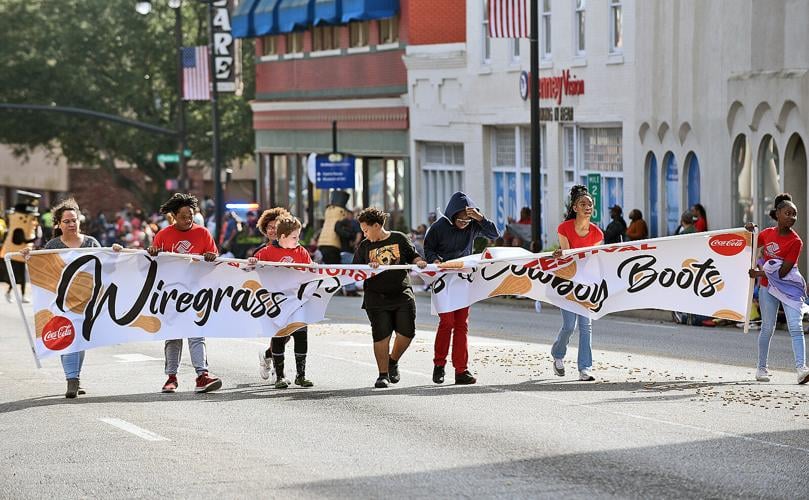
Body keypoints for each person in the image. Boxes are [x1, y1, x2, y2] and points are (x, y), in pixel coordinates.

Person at [22, 198, 122, 398]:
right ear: (58, 224)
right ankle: (72, 380)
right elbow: (42, 266)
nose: (71, 224)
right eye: (66, 221)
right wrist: (28, 255)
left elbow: (105, 266)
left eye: (74, 220)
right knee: (66, 337)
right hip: (62, 301)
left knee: (79, 340)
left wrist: (115, 252)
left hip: (86, 300)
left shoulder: (91, 242)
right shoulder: (53, 245)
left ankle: (75, 377)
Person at [147, 193, 222, 394]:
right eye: (183, 216)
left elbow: (215, 262)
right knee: (173, 336)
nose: (188, 219)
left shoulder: (204, 234)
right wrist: (153, 254)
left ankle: (202, 375)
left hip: (196, 293)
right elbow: (154, 265)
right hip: (171, 294)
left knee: (197, 333)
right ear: (173, 216)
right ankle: (171, 377)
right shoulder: (163, 235)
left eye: (190, 215)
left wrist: (211, 257)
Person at [423, 192, 499, 384]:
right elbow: (428, 248)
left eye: (467, 220)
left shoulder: (473, 225)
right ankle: (439, 365)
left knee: (462, 325)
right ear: (452, 216)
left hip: (463, 278)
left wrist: (480, 218)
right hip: (443, 278)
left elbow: (494, 234)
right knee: (446, 322)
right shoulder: (438, 227)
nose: (464, 223)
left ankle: (461, 370)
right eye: (461, 220)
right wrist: (434, 260)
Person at [353, 207, 427, 388]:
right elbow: (355, 270)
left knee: (407, 332)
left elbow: (414, 256)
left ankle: (393, 360)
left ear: (377, 225)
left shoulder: (399, 238)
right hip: (376, 297)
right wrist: (367, 267)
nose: (364, 234)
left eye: (366, 230)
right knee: (381, 336)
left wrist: (419, 262)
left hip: (401, 293)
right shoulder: (365, 246)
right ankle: (382, 374)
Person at [746, 193, 809, 385]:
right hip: (768, 288)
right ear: (778, 213)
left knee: (796, 327)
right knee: (767, 328)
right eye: (788, 213)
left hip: (789, 288)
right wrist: (749, 232)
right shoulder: (766, 234)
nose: (792, 217)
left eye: (794, 214)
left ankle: (801, 369)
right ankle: (761, 368)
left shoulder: (796, 241)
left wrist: (759, 273)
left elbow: (782, 272)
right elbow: (750, 245)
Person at [249, 216, 315, 389]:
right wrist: (253, 262)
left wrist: (314, 268)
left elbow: (310, 271)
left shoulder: (301, 252)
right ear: (282, 236)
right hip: (276, 303)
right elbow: (250, 267)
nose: (298, 240)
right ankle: (279, 376)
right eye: (294, 237)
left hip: (296, 302)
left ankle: (301, 375)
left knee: (301, 335)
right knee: (278, 336)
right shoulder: (267, 251)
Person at [551, 185, 604, 382]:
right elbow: (567, 258)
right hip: (567, 281)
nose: (587, 207)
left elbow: (595, 259)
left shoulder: (597, 233)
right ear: (574, 208)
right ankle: (557, 354)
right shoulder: (564, 228)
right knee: (569, 326)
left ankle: (585, 368)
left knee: (586, 327)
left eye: (590, 204)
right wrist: (560, 254)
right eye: (583, 204)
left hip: (587, 284)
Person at [253, 206, 291, 379]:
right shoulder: (260, 252)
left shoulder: (292, 248)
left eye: (276, 227)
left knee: (289, 333)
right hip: (267, 298)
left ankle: (268, 355)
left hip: (290, 298)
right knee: (278, 332)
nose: (273, 230)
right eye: (269, 227)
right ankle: (278, 366)